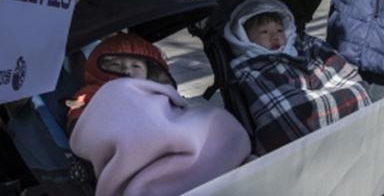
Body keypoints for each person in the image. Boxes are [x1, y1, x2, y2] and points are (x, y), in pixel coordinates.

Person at [67, 33, 251, 196]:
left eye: (136, 66)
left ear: (150, 72)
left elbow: (175, 109)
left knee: (213, 121)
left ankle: (212, 159)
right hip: (135, 146)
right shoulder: (94, 93)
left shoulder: (156, 91)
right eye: (115, 65)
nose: (126, 71)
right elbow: (85, 125)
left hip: (174, 131)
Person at [223, 0, 371, 155]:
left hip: (312, 86)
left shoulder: (300, 48)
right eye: (264, 32)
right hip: (288, 98)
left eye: (279, 30)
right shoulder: (248, 66)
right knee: (293, 113)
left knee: (356, 90)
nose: (274, 36)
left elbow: (325, 64)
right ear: (244, 37)